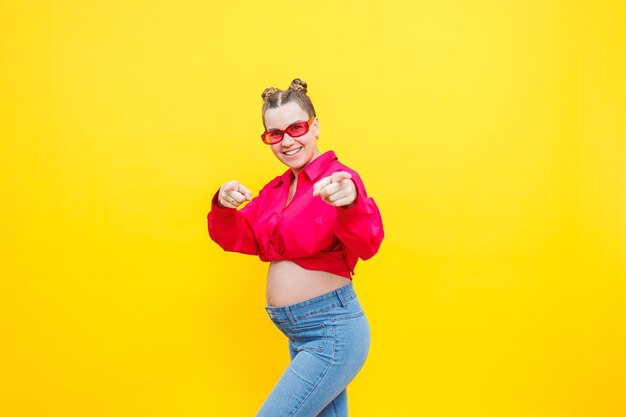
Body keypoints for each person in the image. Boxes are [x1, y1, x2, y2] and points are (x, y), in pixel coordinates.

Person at [206, 78, 384, 417]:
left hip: (331, 333)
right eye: (275, 134)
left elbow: (368, 242)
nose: (287, 141)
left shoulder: (339, 179)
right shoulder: (276, 190)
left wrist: (351, 204)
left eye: (296, 127)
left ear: (315, 126)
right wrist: (224, 206)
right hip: (301, 334)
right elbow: (239, 237)